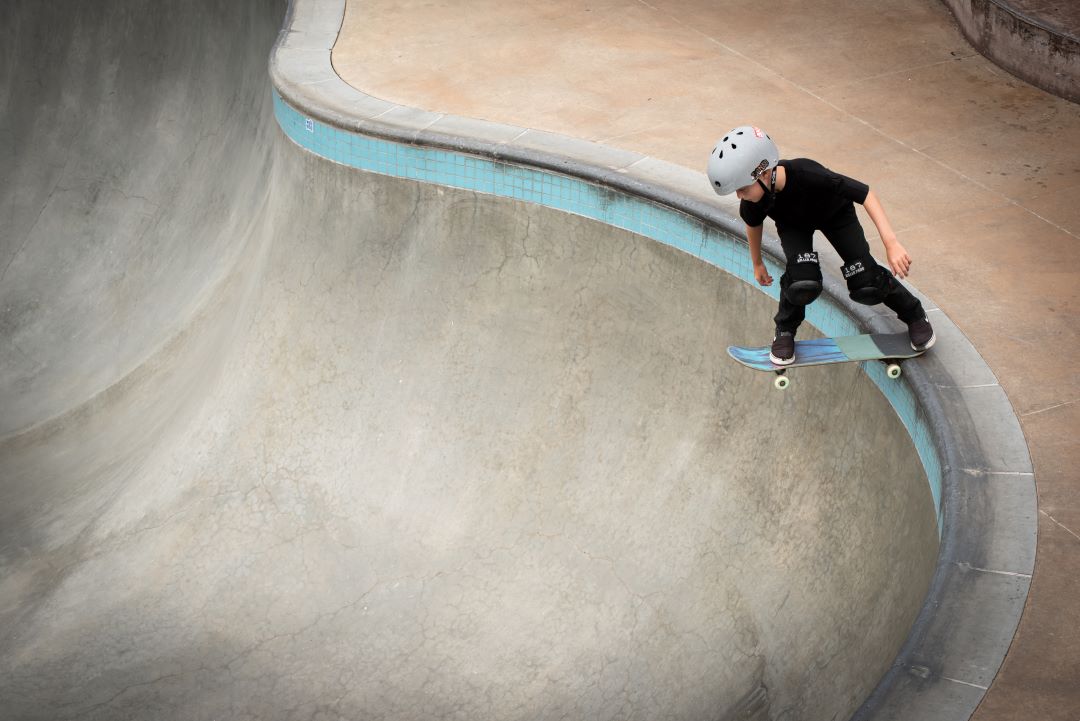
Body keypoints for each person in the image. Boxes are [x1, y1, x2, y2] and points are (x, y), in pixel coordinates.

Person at [707, 126, 935, 365]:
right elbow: (753, 226)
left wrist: (891, 243)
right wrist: (757, 263)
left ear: (763, 174)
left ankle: (915, 315)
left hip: (836, 215)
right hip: (794, 225)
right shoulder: (755, 199)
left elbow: (866, 194)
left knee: (867, 283)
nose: (739, 196)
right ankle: (784, 332)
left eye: (742, 189)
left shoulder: (808, 173)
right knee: (802, 283)